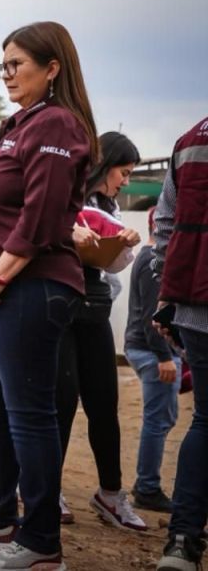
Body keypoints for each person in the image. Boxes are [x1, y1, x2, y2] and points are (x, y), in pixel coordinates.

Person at [0, 21, 96, 571]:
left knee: (28, 413)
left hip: (33, 285)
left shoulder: (57, 123)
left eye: (16, 64)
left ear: (52, 68)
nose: (6, 74)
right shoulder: (20, 122)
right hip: (8, 289)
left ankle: (42, 541)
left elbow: (42, 213)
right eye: (2, 65)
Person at [55, 132, 145, 531]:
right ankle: (46, 489)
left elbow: (113, 268)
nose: (126, 181)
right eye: (123, 172)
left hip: (95, 309)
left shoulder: (110, 208)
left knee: (105, 403)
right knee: (61, 402)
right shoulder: (64, 193)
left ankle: (110, 493)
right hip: (60, 304)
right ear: (104, 166)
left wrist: (123, 246)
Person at [152, 115, 208, 571]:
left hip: (194, 308)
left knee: (205, 421)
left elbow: (165, 224)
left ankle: (183, 542)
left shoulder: (191, 140)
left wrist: (167, 296)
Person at [124, 207, 182, 514]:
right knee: (158, 421)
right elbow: (152, 316)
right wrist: (164, 357)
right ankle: (147, 487)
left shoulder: (150, 258)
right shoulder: (153, 262)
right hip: (152, 352)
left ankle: (146, 485)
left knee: (162, 419)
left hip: (150, 350)